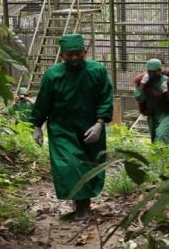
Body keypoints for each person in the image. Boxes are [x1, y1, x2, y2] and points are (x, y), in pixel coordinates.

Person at [29, 33, 113, 221]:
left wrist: (99, 124)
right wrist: (37, 125)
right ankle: (82, 210)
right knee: (70, 165)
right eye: (69, 55)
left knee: (89, 165)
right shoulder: (53, 75)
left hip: (90, 125)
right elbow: (43, 102)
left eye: (77, 53)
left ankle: (82, 206)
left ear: (85, 52)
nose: (74, 58)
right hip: (62, 128)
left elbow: (105, 97)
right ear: (62, 56)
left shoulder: (97, 70)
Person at [133, 59, 169, 144]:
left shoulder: (168, 81)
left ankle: (162, 155)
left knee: (161, 136)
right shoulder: (143, 81)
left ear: (160, 71)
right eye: (150, 72)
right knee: (154, 139)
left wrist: (167, 92)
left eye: (154, 72)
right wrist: (142, 85)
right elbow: (139, 98)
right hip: (152, 113)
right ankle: (158, 156)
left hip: (166, 113)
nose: (152, 74)